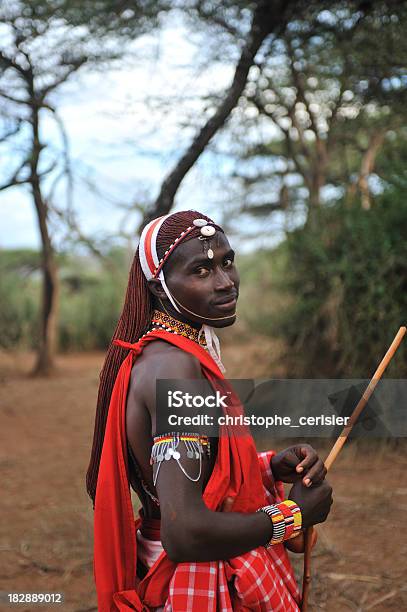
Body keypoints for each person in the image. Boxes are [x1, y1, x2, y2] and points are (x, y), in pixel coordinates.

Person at [86, 210, 333, 611]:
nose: (225, 283)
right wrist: (292, 516)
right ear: (160, 288)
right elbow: (185, 533)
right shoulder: (175, 368)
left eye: (227, 262)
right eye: (201, 270)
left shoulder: (175, 353)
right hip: (197, 583)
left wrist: (267, 467)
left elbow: (192, 477)